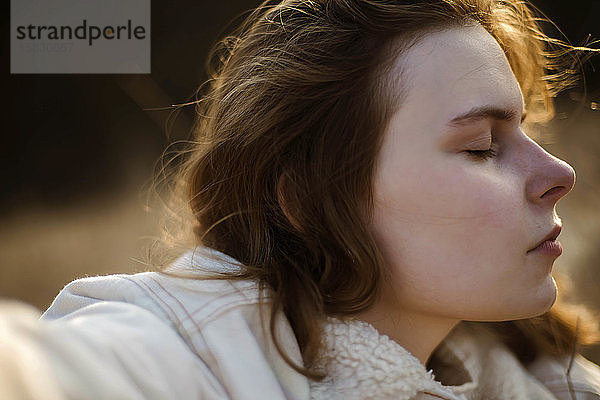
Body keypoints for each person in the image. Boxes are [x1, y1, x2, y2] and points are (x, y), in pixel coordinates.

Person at [2, 0, 600, 399]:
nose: (559, 172)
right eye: (480, 147)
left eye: (528, 131)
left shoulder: (542, 380)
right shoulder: (202, 355)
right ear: (308, 202)